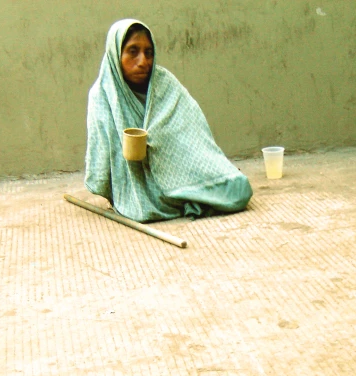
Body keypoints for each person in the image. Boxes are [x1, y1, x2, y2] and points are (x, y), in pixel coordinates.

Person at [84, 19, 253, 223]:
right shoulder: (102, 95)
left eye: (149, 52)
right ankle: (181, 197)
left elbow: (195, 138)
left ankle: (187, 193)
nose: (143, 61)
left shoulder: (166, 85)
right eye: (133, 51)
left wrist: (158, 141)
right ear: (115, 54)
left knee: (238, 190)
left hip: (179, 174)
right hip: (134, 181)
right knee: (145, 208)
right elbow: (101, 166)